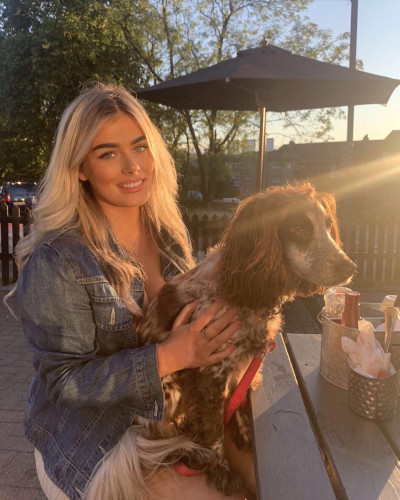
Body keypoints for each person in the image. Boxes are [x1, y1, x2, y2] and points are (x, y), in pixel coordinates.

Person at [9, 83, 251, 499]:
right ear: (80, 167)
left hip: (169, 420)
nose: (132, 166)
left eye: (139, 147)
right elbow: (64, 383)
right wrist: (171, 355)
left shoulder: (169, 235)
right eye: (108, 154)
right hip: (95, 441)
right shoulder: (59, 259)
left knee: (267, 472)